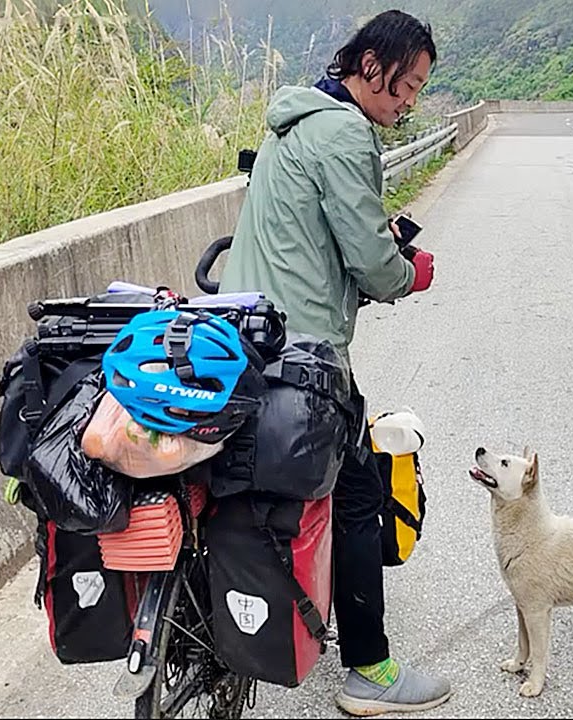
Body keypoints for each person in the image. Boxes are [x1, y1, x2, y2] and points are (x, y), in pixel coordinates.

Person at [217, 9, 450, 717]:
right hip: (303, 356)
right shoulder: (347, 132)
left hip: (236, 340)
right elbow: (375, 266)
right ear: (371, 64)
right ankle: (370, 672)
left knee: (241, 487)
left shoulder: (290, 122)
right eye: (405, 83)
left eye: (418, 89)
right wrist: (413, 271)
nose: (408, 100)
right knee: (356, 496)